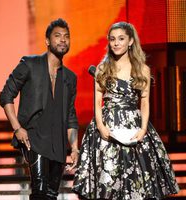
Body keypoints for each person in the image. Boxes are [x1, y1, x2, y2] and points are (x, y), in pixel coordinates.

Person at [72, 22, 179, 200]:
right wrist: (100, 126)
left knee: (135, 178)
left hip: (133, 126)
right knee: (108, 179)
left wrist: (143, 129)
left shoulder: (142, 69)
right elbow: (97, 100)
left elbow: (144, 102)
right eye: (112, 39)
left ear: (130, 41)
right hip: (106, 126)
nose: (116, 43)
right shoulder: (102, 68)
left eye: (121, 39)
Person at [0, 18, 79, 200]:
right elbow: (6, 95)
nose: (63, 40)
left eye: (66, 37)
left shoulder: (70, 78)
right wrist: (17, 128)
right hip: (34, 138)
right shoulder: (29, 64)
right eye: (57, 36)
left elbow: (71, 116)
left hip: (58, 144)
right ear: (47, 41)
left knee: (51, 195)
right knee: (40, 191)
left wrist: (74, 148)